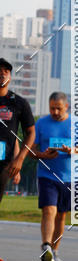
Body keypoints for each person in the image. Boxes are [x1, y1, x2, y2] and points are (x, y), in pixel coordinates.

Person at [31, 92, 72, 261]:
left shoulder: (75, 124)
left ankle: (54, 251)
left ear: (66, 107)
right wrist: (43, 155)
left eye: (58, 108)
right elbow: (30, 149)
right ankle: (46, 246)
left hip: (69, 177)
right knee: (49, 210)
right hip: (46, 174)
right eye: (52, 108)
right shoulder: (41, 123)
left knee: (61, 216)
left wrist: (71, 151)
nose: (54, 112)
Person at [0, 57, 35, 207]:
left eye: (6, 72)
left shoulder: (18, 102)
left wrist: (19, 159)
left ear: (10, 77)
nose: (2, 75)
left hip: (3, 163)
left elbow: (30, 133)